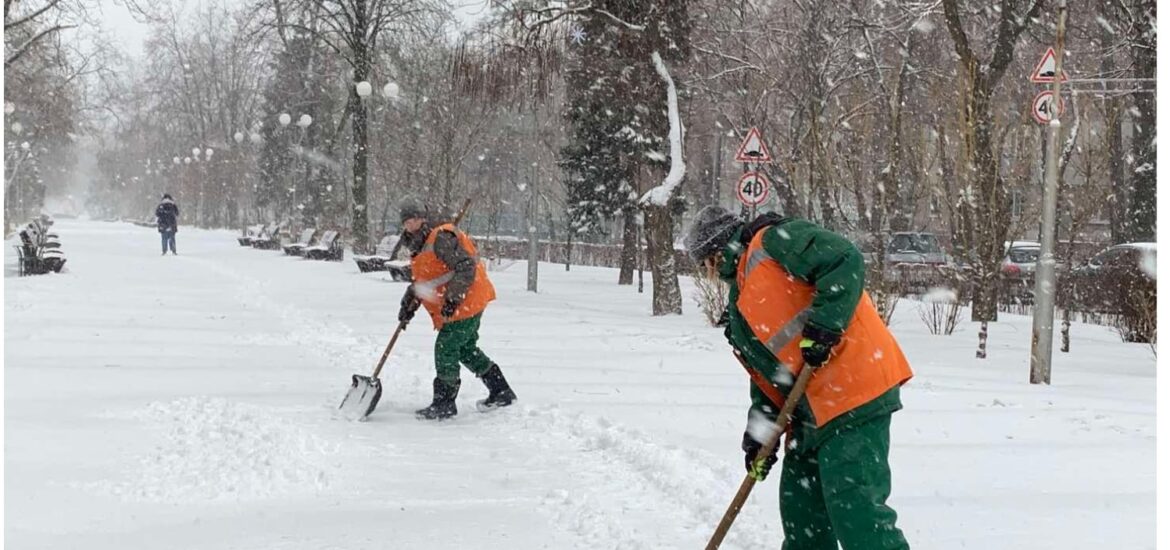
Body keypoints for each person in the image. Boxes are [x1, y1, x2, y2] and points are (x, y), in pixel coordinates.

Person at [682, 205, 912, 550]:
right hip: (808, 412)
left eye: (704, 264)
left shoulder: (773, 241)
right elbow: (767, 379)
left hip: (853, 391)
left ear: (716, 254)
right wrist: (760, 436)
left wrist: (824, 327)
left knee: (856, 513)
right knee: (801, 516)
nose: (707, 273)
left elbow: (844, 260)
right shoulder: (739, 302)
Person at [396, 199, 517, 420]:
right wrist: (407, 308)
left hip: (466, 300)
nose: (410, 224)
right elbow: (424, 282)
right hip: (463, 303)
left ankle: (444, 403)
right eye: (406, 221)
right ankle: (500, 390)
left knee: (446, 348)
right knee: (464, 349)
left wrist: (453, 298)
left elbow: (466, 267)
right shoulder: (416, 246)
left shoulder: (440, 237)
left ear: (423, 218)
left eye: (414, 219)